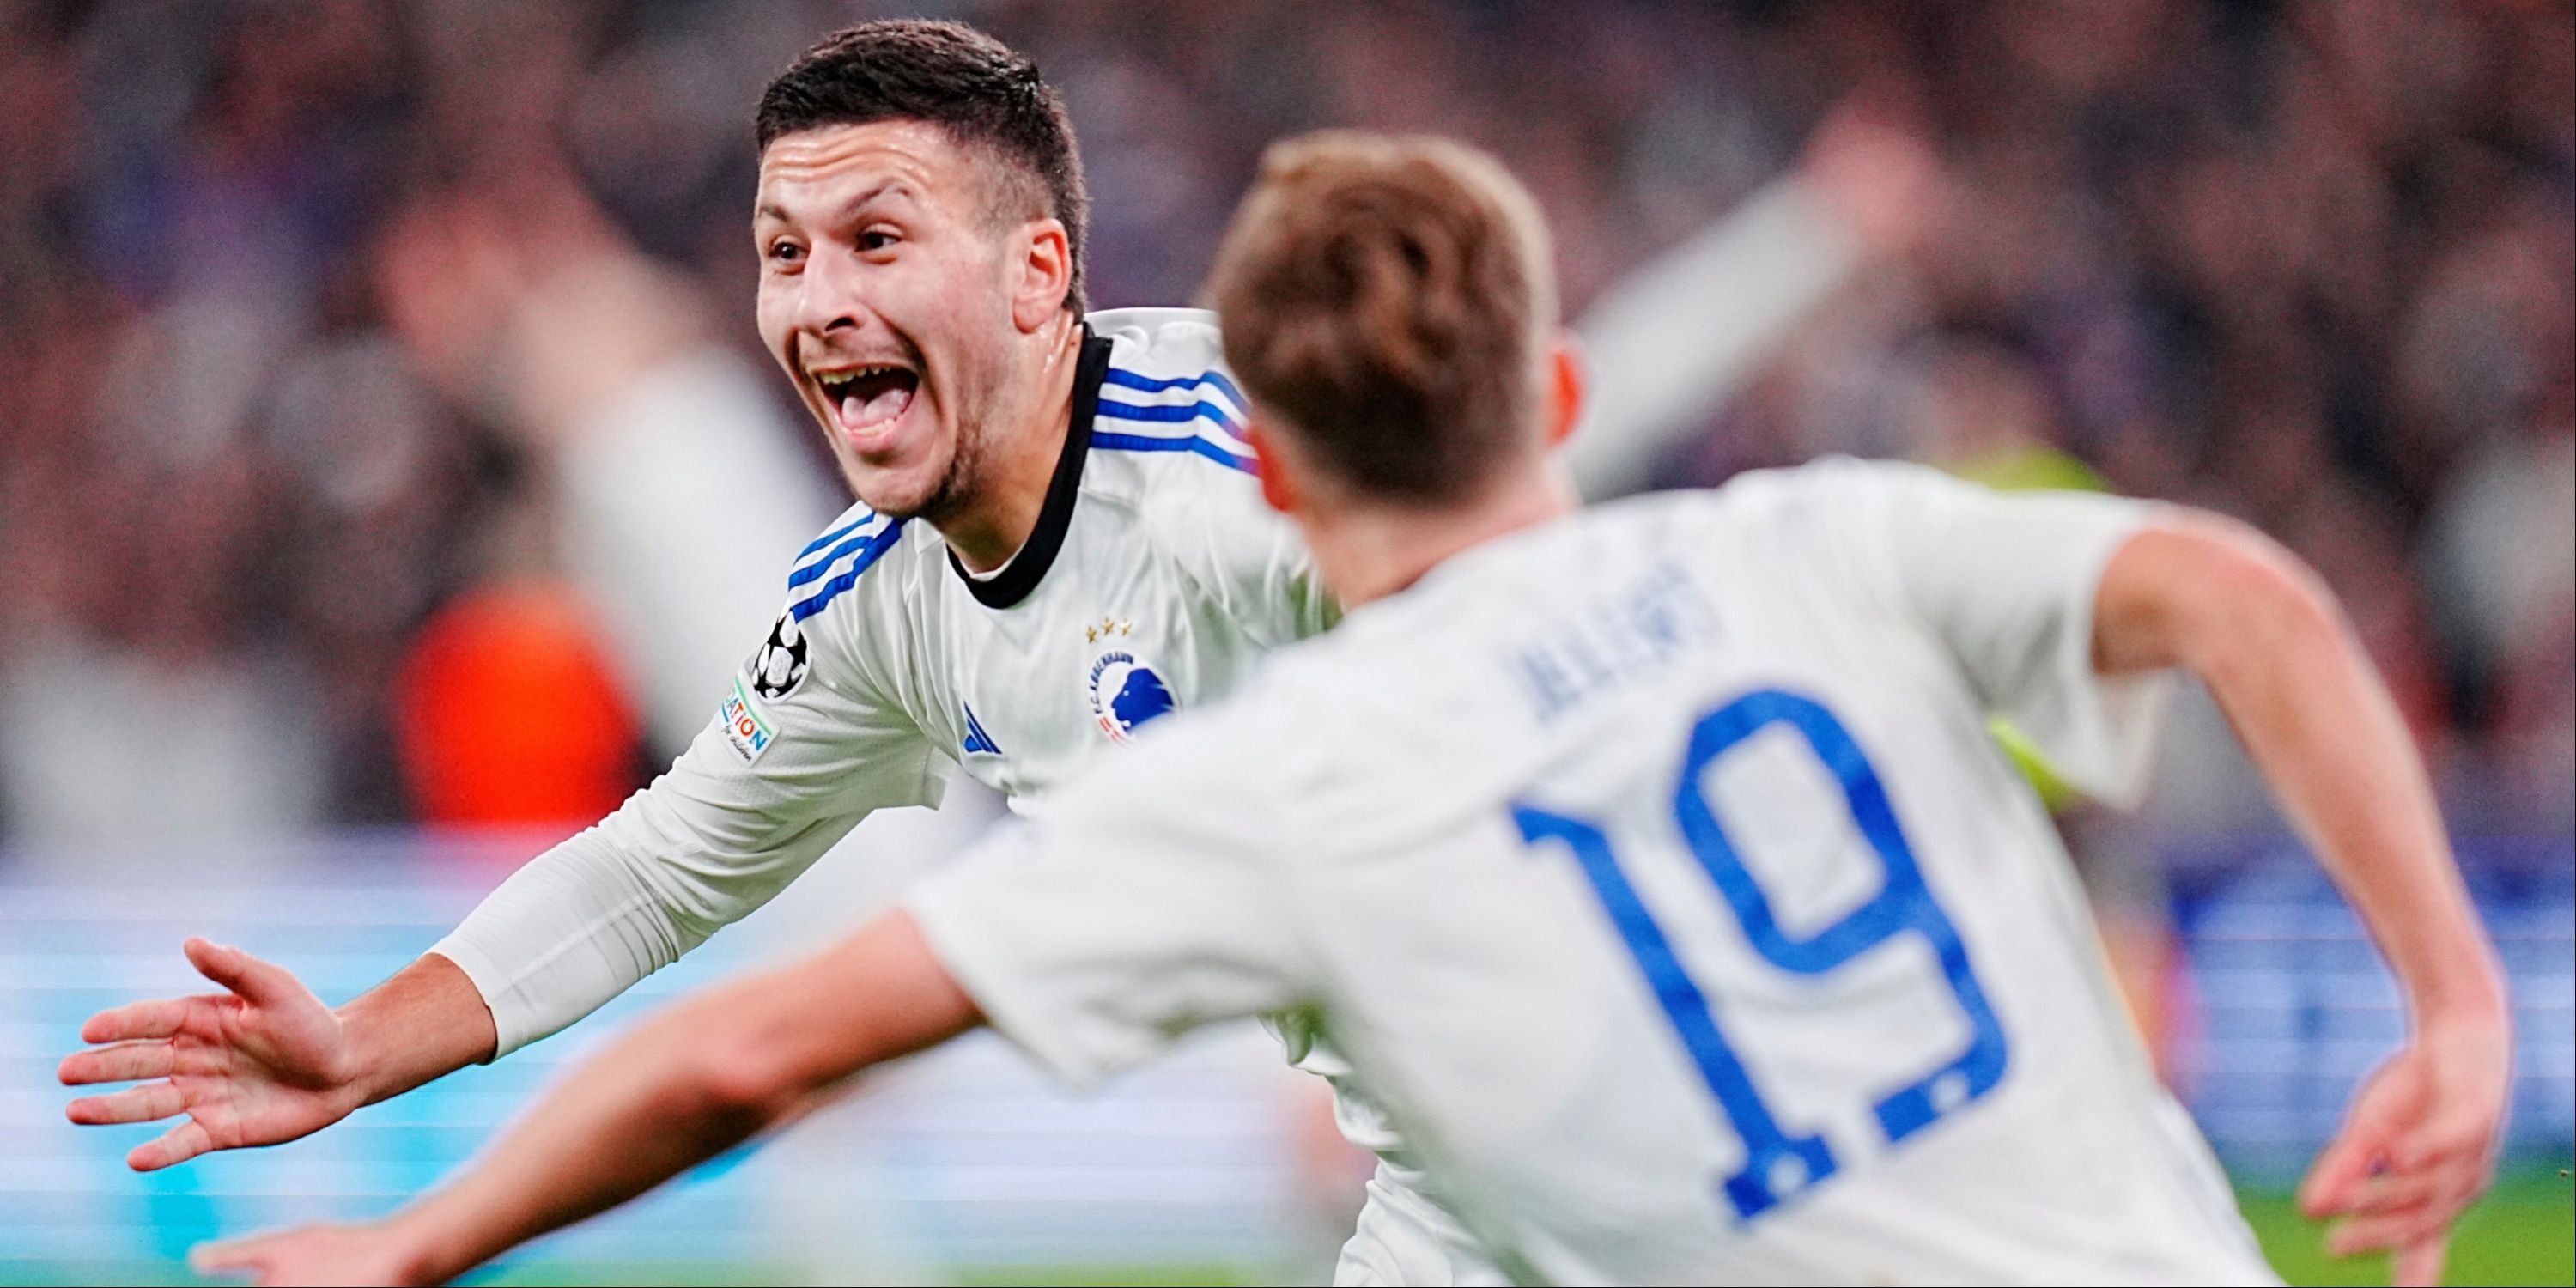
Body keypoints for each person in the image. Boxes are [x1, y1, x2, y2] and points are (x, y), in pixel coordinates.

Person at [184, 131, 2508, 1287]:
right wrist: (2454, 1001)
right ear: (1564, 394)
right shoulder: (1810, 542)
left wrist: (410, 1237)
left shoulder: (1284, 790)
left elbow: (751, 1036)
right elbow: (2242, 592)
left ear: (1266, 459)